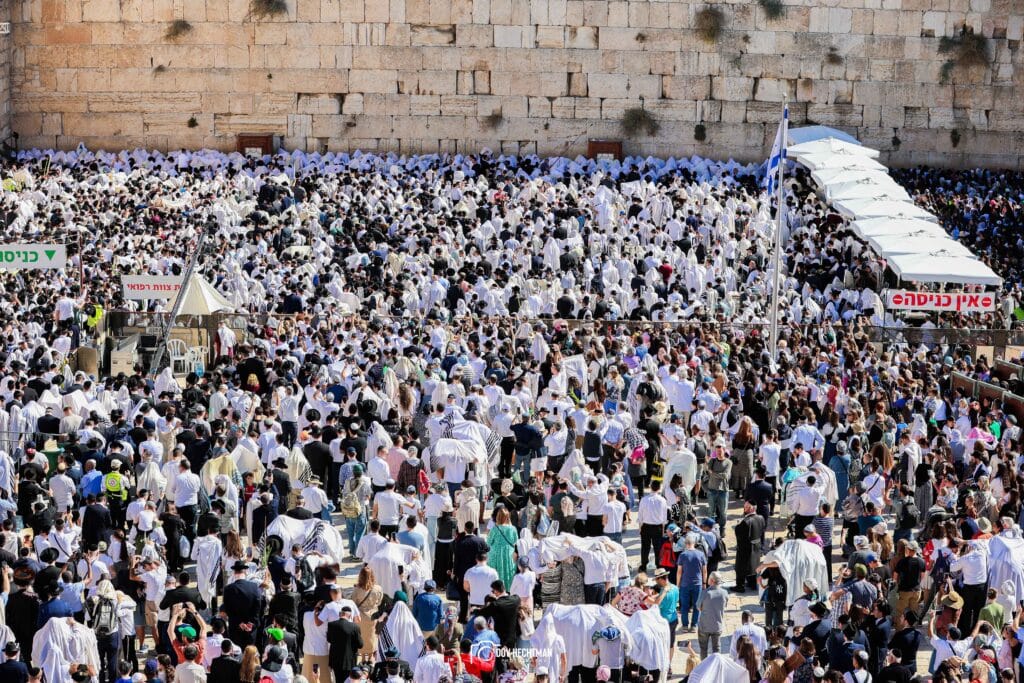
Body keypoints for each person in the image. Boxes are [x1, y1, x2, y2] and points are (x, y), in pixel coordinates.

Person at [733, 501, 765, 592]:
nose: (745, 509)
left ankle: (740, 586)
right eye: (745, 507)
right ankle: (752, 584)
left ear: (753, 508)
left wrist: (737, 526)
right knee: (754, 565)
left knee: (740, 567)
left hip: (745, 548)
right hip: (756, 546)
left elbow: (739, 535)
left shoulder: (746, 522)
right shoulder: (761, 518)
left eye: (747, 507)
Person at [326, 607, 363, 680]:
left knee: (338, 679)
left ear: (340, 614)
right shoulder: (355, 627)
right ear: (349, 616)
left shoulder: (331, 625)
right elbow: (360, 645)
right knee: (348, 680)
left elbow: (329, 639)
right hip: (349, 661)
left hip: (335, 659)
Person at [696, 571, 727, 658]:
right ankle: (716, 667)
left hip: (704, 626)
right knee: (717, 650)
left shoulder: (705, 593)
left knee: (703, 649)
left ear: (712, 580)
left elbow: (698, 607)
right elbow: (724, 606)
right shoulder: (724, 593)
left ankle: (704, 667)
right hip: (717, 625)